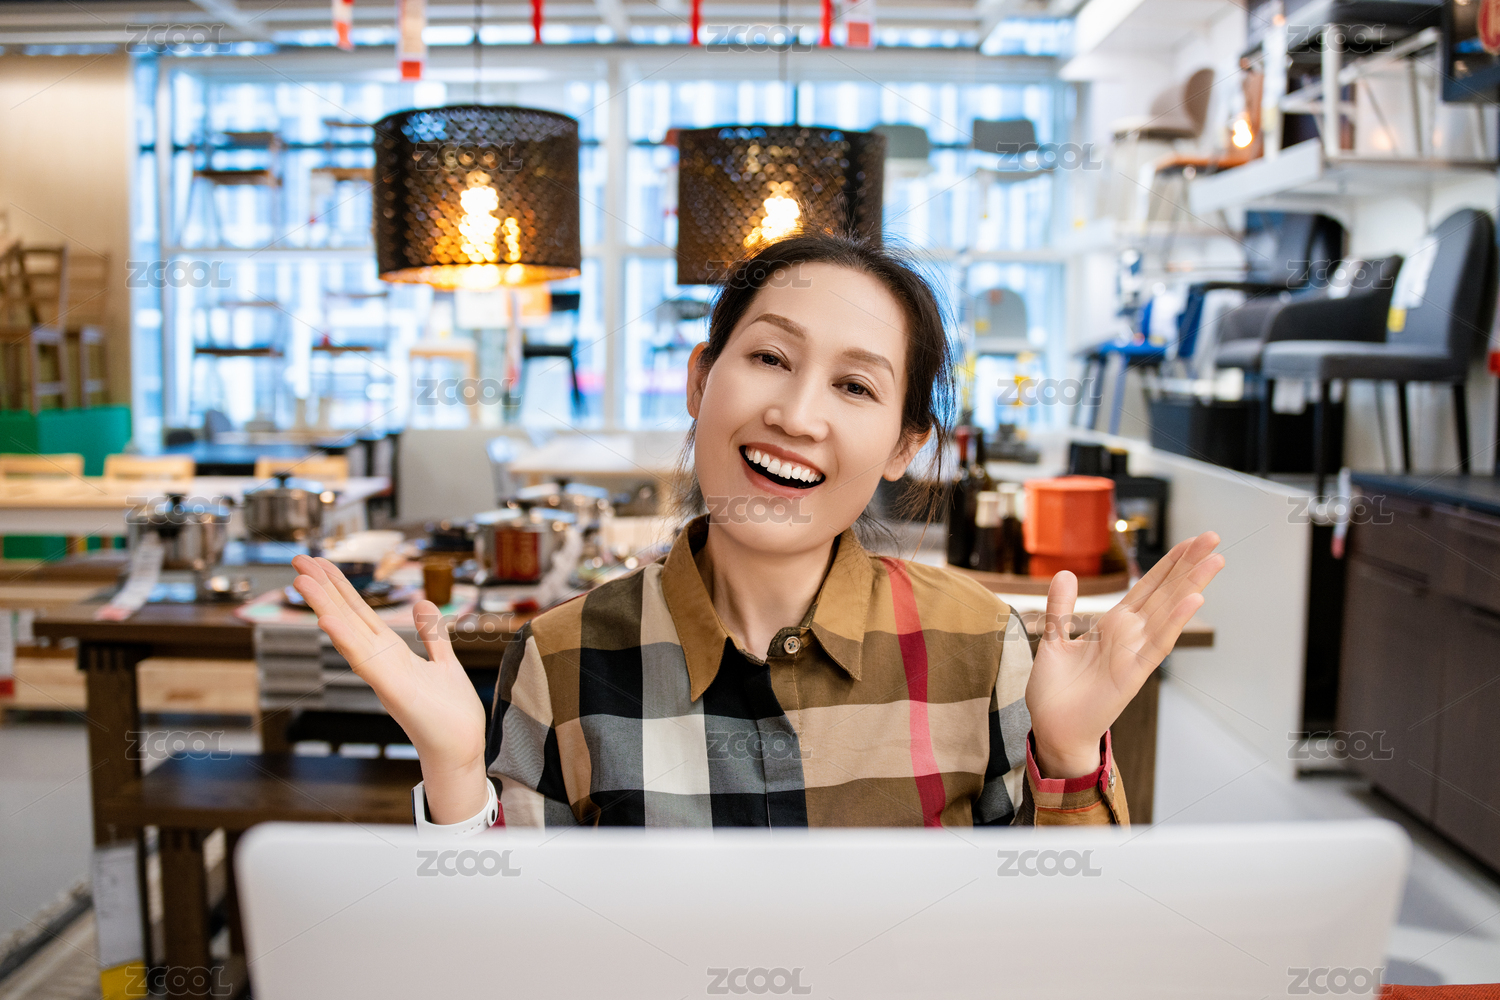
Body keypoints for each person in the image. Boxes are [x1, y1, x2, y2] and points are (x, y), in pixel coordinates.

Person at [291, 231, 1224, 833]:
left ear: (904, 446)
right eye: (771, 357)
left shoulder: (981, 646)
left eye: (854, 385)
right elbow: (505, 959)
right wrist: (457, 772)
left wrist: (1066, 758)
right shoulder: (559, 660)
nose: (797, 415)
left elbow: (1061, 946)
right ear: (701, 382)